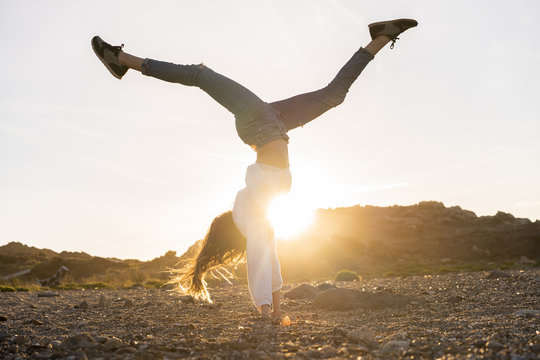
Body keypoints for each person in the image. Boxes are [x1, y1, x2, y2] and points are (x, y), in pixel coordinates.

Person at [91, 18, 418, 318]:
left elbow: (261, 260)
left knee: (201, 75)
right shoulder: (257, 221)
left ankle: (120, 60)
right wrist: (277, 311)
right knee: (334, 96)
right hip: (272, 126)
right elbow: (270, 261)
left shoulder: (252, 218)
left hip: (262, 125)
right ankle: (380, 37)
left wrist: (263, 310)